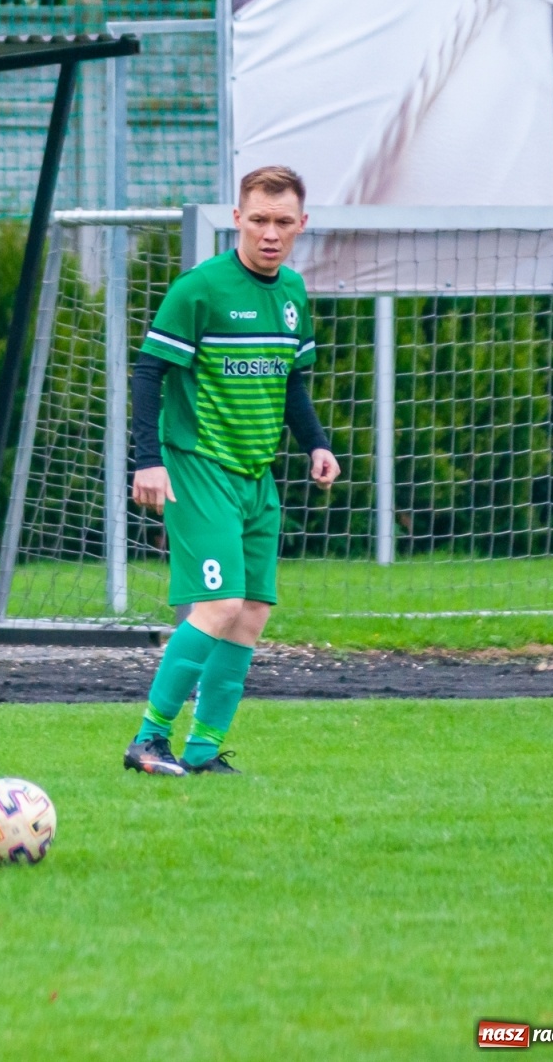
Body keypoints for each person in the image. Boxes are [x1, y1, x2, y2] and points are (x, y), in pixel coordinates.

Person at [123, 165, 341, 777]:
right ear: (238, 219)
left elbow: (291, 381)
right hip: (200, 467)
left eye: (283, 222)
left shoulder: (293, 293)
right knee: (217, 605)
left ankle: (201, 749)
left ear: (302, 224)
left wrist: (316, 445)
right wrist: (148, 460)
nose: (270, 233)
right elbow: (148, 372)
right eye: (259, 220)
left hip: (256, 474)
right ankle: (148, 739)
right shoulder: (201, 289)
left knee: (250, 616)